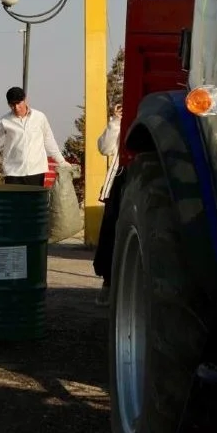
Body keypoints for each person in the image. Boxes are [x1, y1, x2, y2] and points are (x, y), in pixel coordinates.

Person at [0, 86, 70, 185]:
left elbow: (49, 140)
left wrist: (61, 161)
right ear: (8, 104)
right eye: (12, 104)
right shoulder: (5, 121)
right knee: (14, 206)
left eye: (19, 103)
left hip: (36, 171)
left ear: (25, 100)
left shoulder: (40, 118)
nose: (16, 107)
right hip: (13, 172)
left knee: (33, 206)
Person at [92, 104, 123, 306]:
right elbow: (105, 148)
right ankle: (108, 283)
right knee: (110, 233)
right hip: (121, 179)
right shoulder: (120, 123)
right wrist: (116, 121)